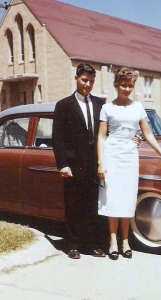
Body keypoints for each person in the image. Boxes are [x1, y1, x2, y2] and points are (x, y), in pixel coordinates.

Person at [97, 67, 161, 260]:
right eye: (123, 85)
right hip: (111, 155)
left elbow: (147, 133)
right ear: (116, 85)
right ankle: (113, 241)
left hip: (129, 156)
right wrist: (101, 163)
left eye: (130, 85)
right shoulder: (107, 108)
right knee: (112, 198)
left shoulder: (138, 107)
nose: (126, 89)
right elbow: (101, 136)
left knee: (127, 198)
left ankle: (125, 241)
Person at [52, 63, 106, 259]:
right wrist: (63, 164)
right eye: (84, 80)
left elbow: (108, 131)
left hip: (94, 163)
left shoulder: (101, 104)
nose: (88, 85)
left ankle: (91, 244)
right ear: (76, 78)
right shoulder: (64, 105)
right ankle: (73, 244)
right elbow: (57, 138)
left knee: (92, 205)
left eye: (91, 81)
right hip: (74, 164)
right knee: (74, 205)